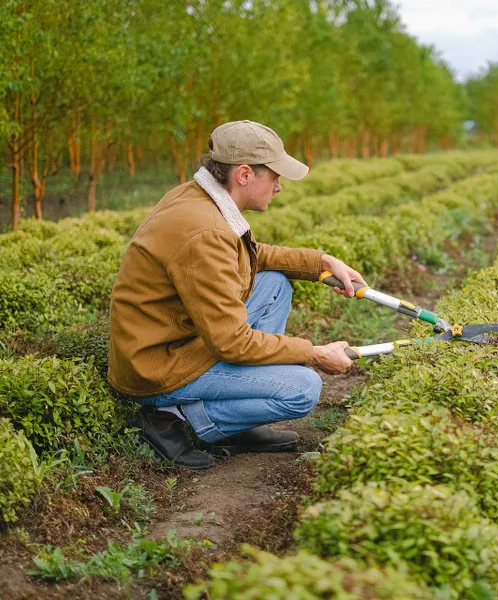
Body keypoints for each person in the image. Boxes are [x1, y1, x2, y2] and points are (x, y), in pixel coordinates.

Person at [108, 120, 364, 469]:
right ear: (244, 174)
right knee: (303, 388)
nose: (279, 187)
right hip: (160, 367)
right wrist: (314, 353)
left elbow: (253, 255)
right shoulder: (205, 231)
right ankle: (169, 416)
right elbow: (232, 342)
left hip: (181, 339)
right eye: (275, 176)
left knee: (274, 283)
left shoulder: (202, 198)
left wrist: (320, 262)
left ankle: (238, 422)